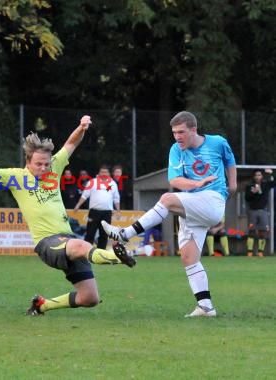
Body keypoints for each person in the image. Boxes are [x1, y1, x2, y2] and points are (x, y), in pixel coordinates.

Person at [0, 115, 135, 316]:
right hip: (47, 243)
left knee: (89, 298)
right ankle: (117, 256)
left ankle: (41, 305)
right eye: (39, 164)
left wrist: (82, 127)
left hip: (67, 239)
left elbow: (71, 143)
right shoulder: (16, 177)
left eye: (46, 164)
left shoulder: (54, 168)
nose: (43, 168)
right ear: (28, 161)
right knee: (81, 245)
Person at [102, 111, 237, 317]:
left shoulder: (217, 142)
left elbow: (230, 160)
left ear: (194, 129)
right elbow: (174, 180)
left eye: (181, 132)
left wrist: (233, 185)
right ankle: (206, 306)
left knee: (166, 199)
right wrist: (197, 183)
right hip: (192, 203)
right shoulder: (176, 150)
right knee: (188, 257)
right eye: (174, 133)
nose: (177, 137)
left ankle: (125, 234)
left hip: (212, 199)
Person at [73, 165, 120, 250]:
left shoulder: (113, 184)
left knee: (104, 234)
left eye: (105, 172)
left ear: (109, 173)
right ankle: (85, 252)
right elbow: (84, 195)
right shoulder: (92, 182)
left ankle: (100, 254)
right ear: (99, 173)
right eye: (102, 172)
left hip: (107, 213)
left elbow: (116, 198)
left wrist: (118, 210)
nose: (104, 174)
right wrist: (77, 205)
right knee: (90, 233)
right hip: (94, 212)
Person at [244, 168, 275, 257]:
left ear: (262, 176)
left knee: (263, 231)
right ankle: (249, 252)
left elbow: (274, 182)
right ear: (253, 177)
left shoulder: (266, 184)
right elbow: (247, 198)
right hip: (252, 211)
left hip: (263, 211)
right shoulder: (250, 186)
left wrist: (271, 174)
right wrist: (253, 192)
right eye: (256, 175)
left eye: (259, 175)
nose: (257, 177)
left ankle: (260, 252)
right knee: (251, 231)